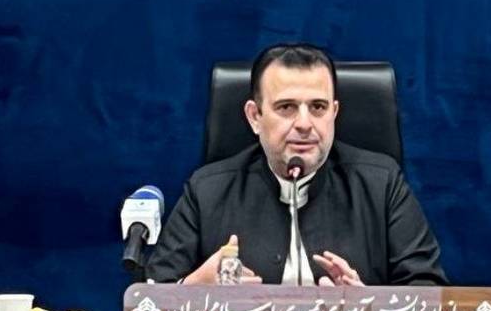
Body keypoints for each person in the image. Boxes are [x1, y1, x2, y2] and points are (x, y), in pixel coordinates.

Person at [146, 43, 446, 286]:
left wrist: (368, 308)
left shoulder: (382, 185)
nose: (304, 123)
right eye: (287, 107)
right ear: (255, 117)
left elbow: (429, 291)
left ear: (334, 113)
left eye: (318, 107)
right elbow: (149, 300)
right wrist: (192, 289)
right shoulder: (207, 190)